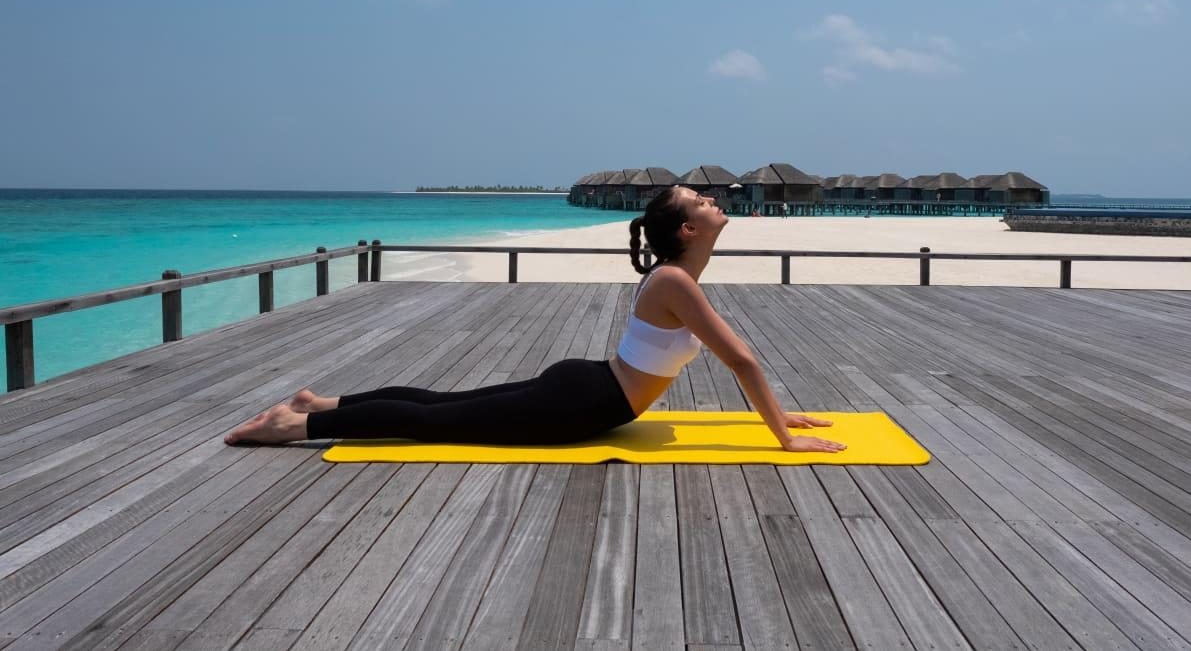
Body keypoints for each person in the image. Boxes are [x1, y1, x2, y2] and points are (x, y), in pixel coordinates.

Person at [224, 186, 845, 453]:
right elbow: (742, 360)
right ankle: (292, 426)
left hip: (589, 386)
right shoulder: (677, 279)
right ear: (688, 229)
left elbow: (738, 365)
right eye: (702, 202)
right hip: (584, 404)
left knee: (442, 404)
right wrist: (784, 437)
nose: (715, 203)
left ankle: (321, 401)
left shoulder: (678, 276)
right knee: (435, 423)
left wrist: (776, 412)